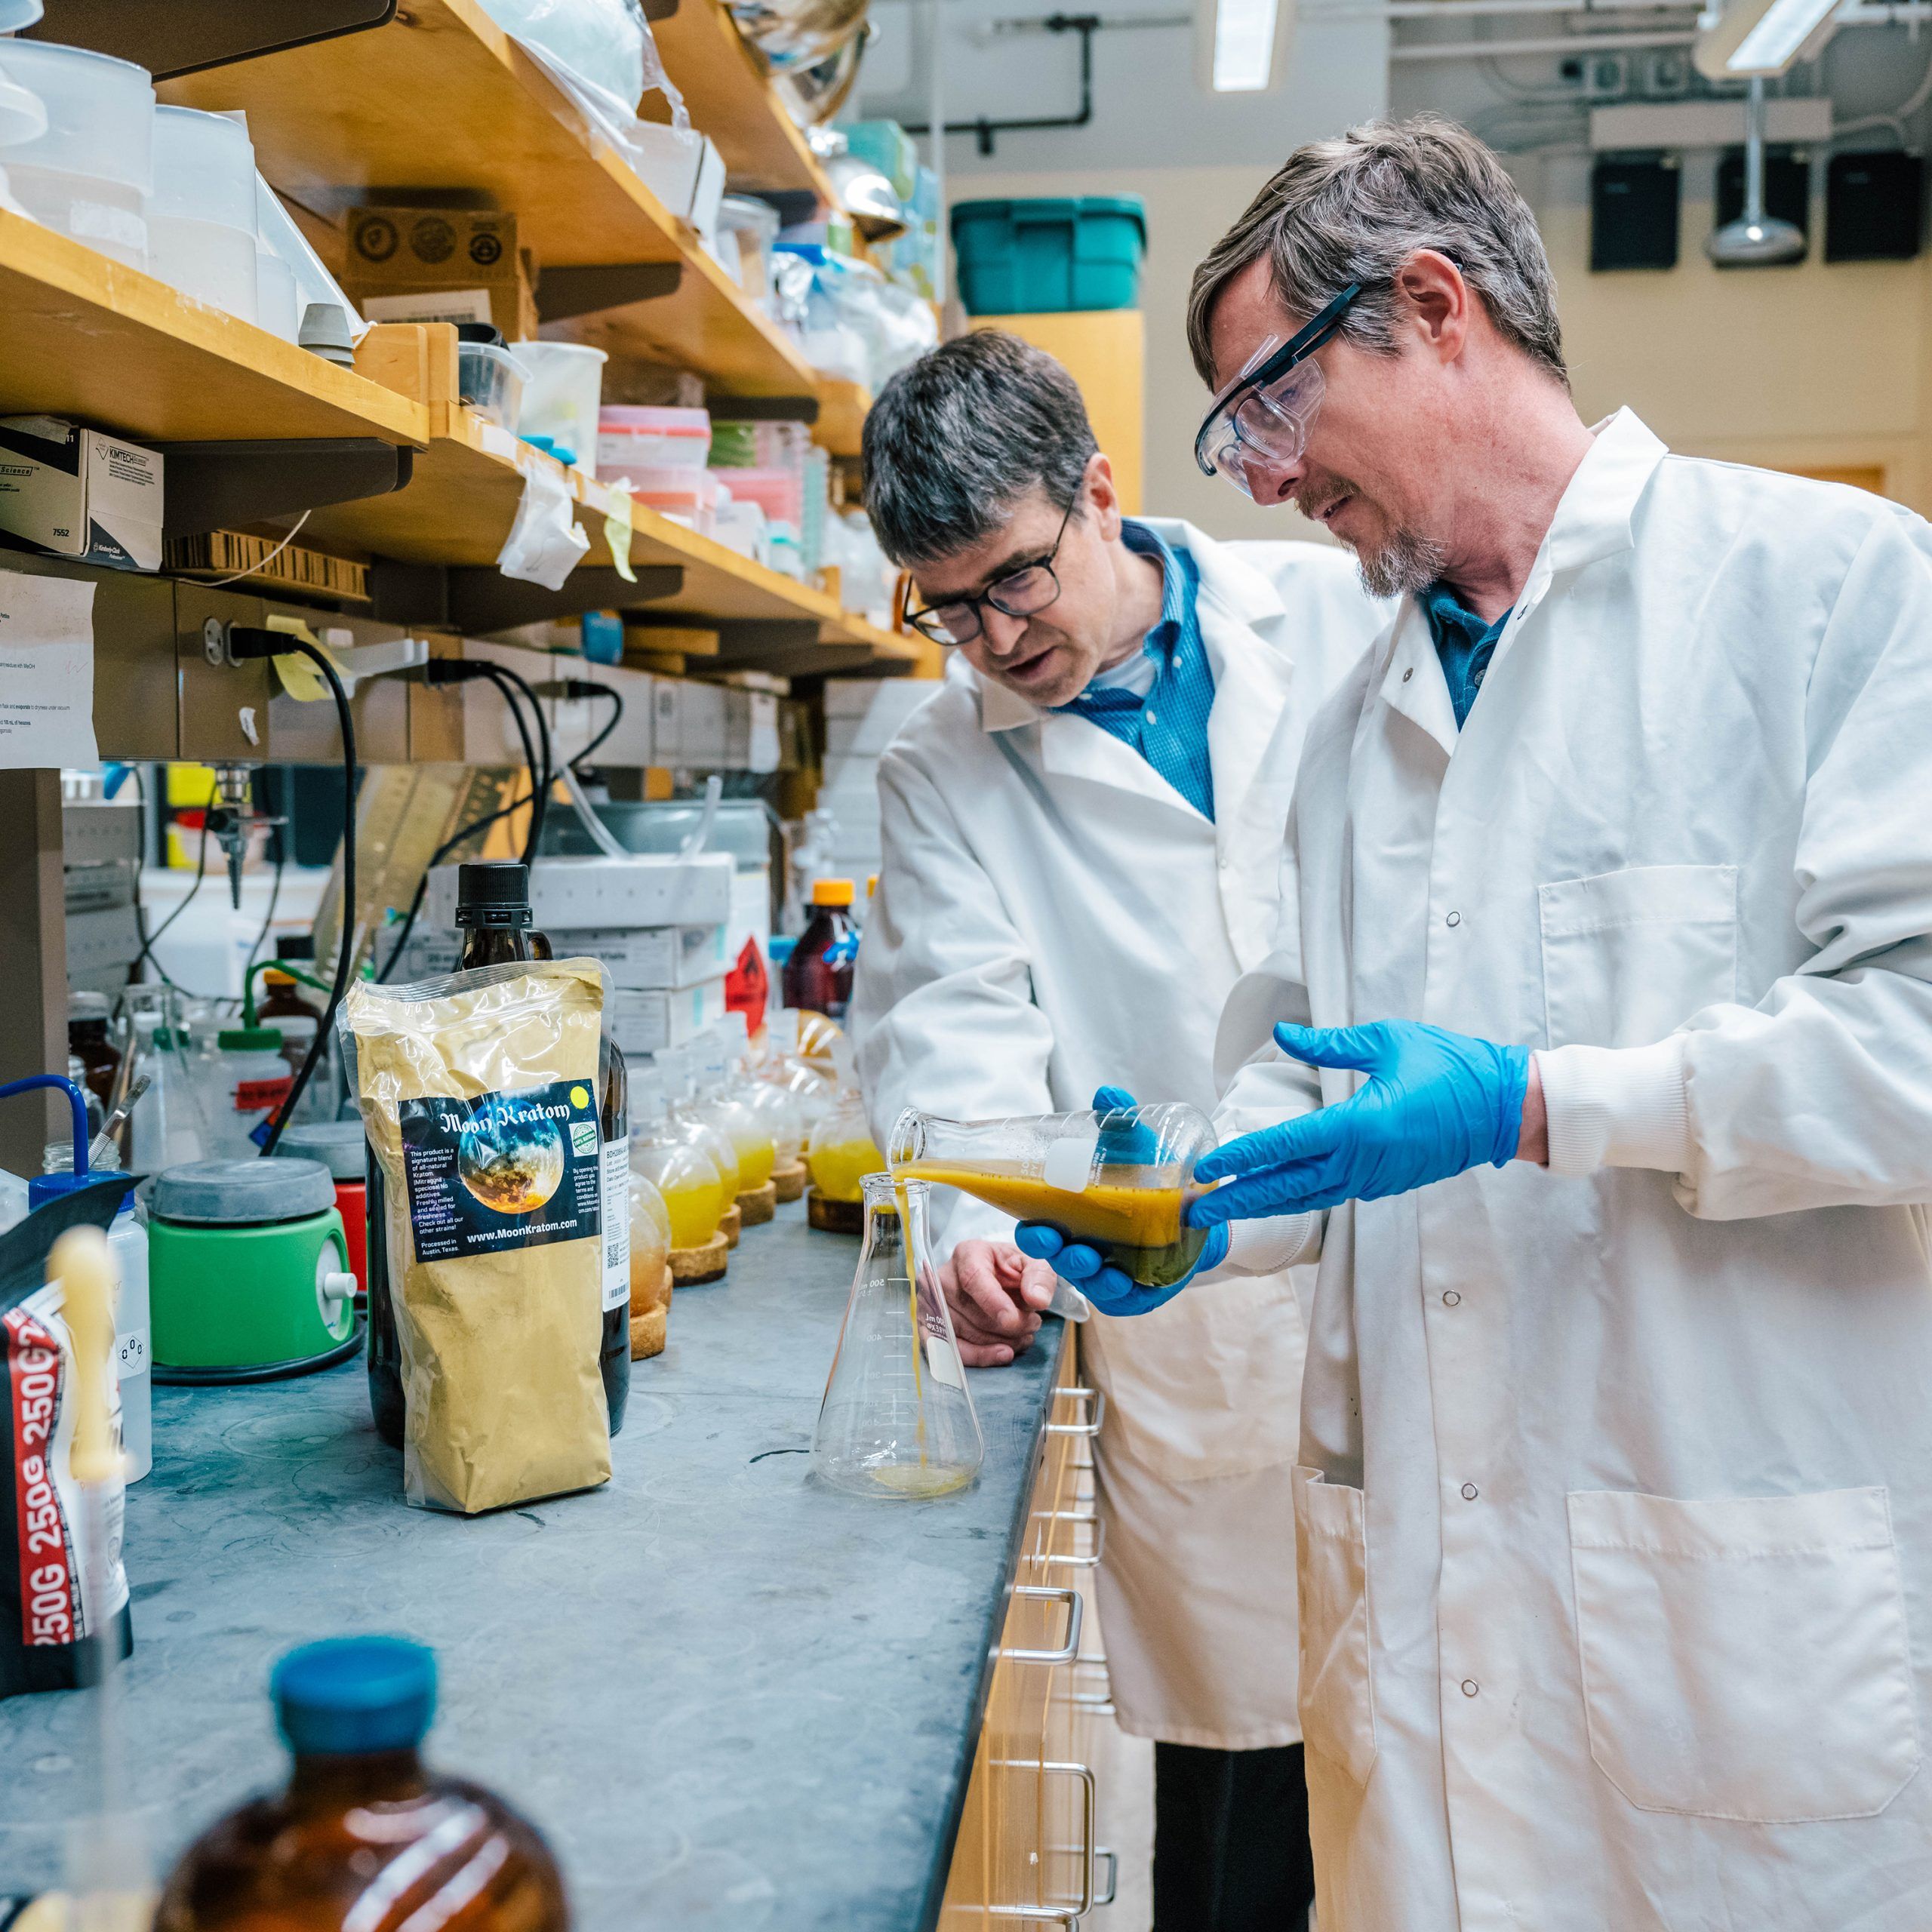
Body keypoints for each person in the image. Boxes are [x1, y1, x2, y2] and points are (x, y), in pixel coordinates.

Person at [1044, 114, 1932, 1930]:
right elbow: (1320, 1075)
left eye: (1268, 405)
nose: (1263, 479)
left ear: (1433, 309)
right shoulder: (1350, 724)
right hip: (1425, 1638)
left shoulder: (1832, 590)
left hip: (1734, 1619)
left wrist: (1542, 1101)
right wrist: (1200, 1199)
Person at [849, 328, 1386, 1929]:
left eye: (1014, 578)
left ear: (1097, 491)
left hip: (1418, 1245)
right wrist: (972, 1236)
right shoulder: (940, 766)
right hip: (1193, 1317)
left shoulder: (1337, 616)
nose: (992, 637)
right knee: (1243, 1795)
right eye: (946, 607)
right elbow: (948, 1022)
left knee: (1437, 1756)